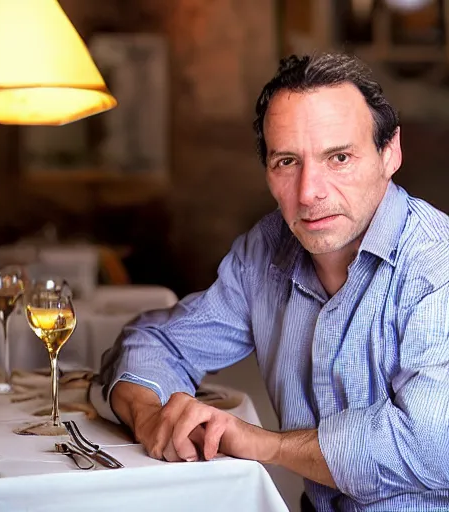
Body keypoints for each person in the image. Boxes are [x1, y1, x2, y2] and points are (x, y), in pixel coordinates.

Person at [90, 53, 449, 511]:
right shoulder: (266, 251)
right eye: (286, 162)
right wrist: (147, 416)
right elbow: (156, 340)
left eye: (338, 157)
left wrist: (267, 445)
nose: (309, 193)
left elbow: (433, 444)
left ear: (390, 153)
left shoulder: (438, 265)